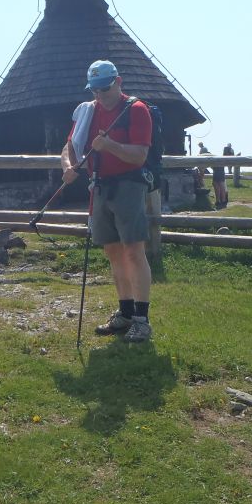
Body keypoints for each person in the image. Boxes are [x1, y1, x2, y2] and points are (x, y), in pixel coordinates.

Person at [61, 60, 154, 343]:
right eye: (95, 89)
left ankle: (141, 319)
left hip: (128, 185)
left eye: (105, 88)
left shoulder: (136, 110)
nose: (100, 95)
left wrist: (109, 145)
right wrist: (68, 166)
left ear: (118, 82)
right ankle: (125, 312)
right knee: (113, 252)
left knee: (134, 251)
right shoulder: (88, 112)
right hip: (99, 186)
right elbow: (69, 146)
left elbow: (139, 156)